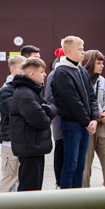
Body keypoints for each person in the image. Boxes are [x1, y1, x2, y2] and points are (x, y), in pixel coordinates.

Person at [51, 36, 98, 189]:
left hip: (85, 124)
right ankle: (67, 202)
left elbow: (92, 96)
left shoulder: (82, 70)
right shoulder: (62, 72)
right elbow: (72, 102)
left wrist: (94, 119)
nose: (83, 52)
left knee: (80, 166)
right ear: (69, 51)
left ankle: (78, 199)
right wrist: (87, 122)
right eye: (80, 49)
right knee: (70, 165)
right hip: (72, 124)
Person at [10, 57, 57, 194]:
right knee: (29, 187)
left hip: (35, 146)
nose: (45, 74)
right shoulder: (25, 94)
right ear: (32, 74)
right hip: (29, 147)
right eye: (42, 72)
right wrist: (46, 114)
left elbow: (53, 108)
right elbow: (42, 121)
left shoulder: (34, 91)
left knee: (35, 186)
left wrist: (46, 111)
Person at [81, 50, 105, 188]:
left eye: (103, 62)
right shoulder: (80, 79)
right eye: (99, 63)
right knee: (85, 165)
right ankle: (83, 199)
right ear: (90, 63)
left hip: (103, 125)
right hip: (86, 127)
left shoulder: (102, 80)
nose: (102, 66)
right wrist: (92, 116)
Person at [0, 54, 25, 193]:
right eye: (21, 69)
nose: (24, 71)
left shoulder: (25, 87)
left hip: (23, 141)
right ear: (12, 71)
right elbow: (13, 112)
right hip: (10, 142)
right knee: (9, 178)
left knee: (21, 179)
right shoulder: (6, 90)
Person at [43, 51, 65, 188]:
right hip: (60, 118)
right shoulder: (54, 74)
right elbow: (50, 97)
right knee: (60, 148)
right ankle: (59, 181)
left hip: (67, 118)